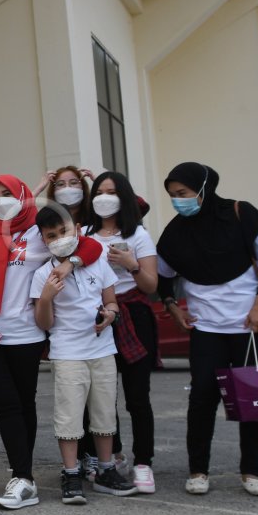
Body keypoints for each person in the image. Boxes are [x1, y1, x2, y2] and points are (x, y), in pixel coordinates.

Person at [0, 175, 102, 510]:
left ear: (21, 195)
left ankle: (23, 476)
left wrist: (70, 264)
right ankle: (23, 477)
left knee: (24, 404)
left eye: (7, 193)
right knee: (5, 403)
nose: (0, 199)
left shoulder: (38, 233)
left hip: (26, 335)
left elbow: (92, 246)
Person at [157, 162, 258, 497]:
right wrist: (171, 307)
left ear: (203, 188)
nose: (177, 201)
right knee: (201, 397)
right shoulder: (175, 233)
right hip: (207, 328)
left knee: (253, 399)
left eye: (182, 194)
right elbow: (163, 276)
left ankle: (251, 471)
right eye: (172, 196)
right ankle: (198, 470)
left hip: (250, 325)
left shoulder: (241, 213)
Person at [31, 207, 137, 504]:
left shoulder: (98, 262)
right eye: (51, 236)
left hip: (102, 349)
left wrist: (110, 314)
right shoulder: (43, 275)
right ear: (43, 239)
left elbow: (112, 301)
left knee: (104, 412)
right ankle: (71, 473)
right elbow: (44, 324)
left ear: (76, 229)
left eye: (64, 232)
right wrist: (47, 298)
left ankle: (105, 470)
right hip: (67, 353)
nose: (59, 239)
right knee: (69, 416)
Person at [82, 171, 159, 493]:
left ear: (123, 196)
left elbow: (151, 286)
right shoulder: (85, 232)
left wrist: (131, 264)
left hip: (134, 315)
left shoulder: (138, 234)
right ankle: (112, 457)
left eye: (111, 191)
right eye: (99, 191)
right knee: (101, 397)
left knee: (137, 397)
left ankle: (144, 463)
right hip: (97, 317)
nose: (104, 197)